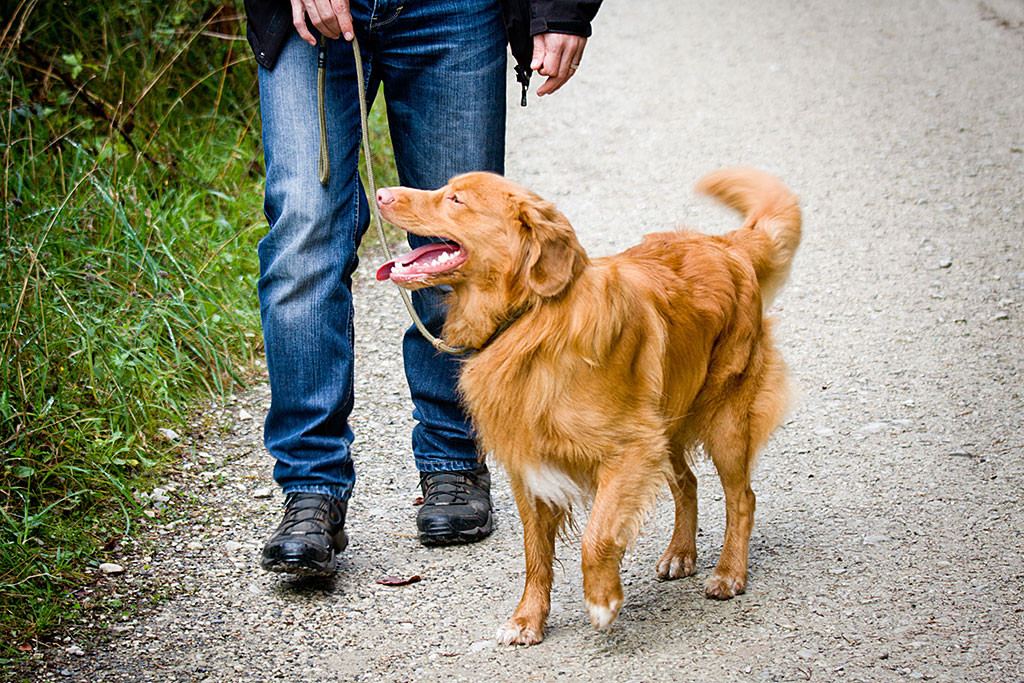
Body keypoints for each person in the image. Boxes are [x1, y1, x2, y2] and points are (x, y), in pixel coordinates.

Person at [243, 0, 602, 576]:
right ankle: (311, 487)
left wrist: (562, 5)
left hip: (455, 9)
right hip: (305, 18)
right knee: (302, 238)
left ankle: (454, 458)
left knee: (461, 246)